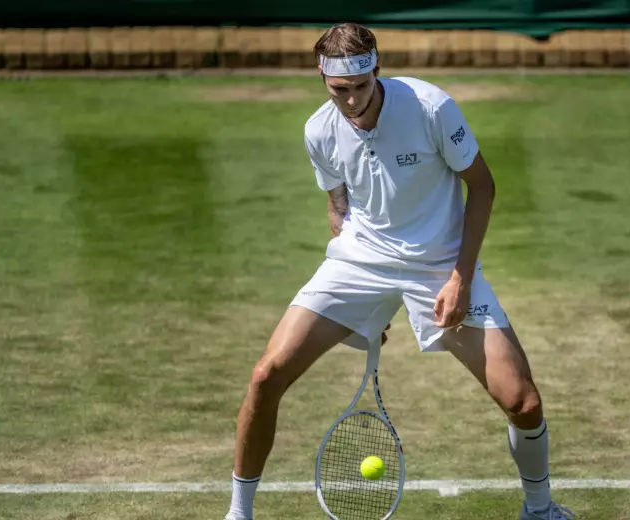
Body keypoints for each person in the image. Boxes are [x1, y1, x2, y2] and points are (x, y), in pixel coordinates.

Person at [223, 22, 576, 520]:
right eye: (339, 91)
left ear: (377, 71)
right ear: (324, 81)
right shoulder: (319, 130)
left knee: (522, 400)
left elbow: (484, 187)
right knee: (265, 376)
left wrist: (460, 278)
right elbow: (338, 208)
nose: (351, 102)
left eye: (361, 88)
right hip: (360, 262)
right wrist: (361, 304)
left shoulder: (431, 108)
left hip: (438, 266)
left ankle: (539, 511)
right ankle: (239, 513)